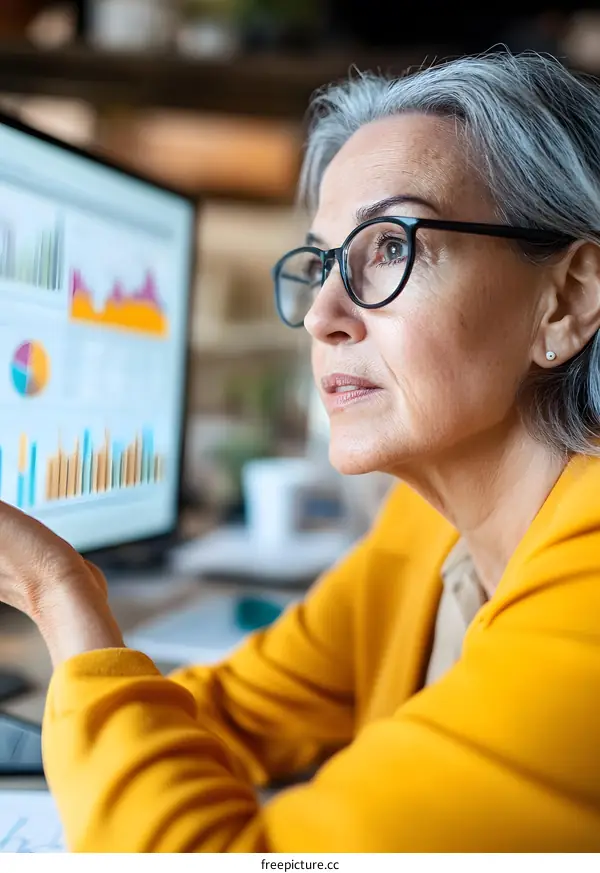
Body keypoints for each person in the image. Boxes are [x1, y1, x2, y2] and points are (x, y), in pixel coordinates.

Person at [1, 51, 600, 852]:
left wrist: (57, 594)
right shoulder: (425, 527)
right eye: (322, 262)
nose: (322, 314)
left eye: (391, 247)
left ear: (567, 299)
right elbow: (225, 715)